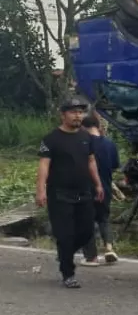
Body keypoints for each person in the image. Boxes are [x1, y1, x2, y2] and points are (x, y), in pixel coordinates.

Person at [36, 97, 105, 288]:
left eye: (80, 112)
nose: (78, 116)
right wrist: (40, 190)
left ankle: (64, 254)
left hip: (84, 192)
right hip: (59, 194)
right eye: (73, 112)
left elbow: (91, 162)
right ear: (63, 114)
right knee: (65, 235)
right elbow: (44, 165)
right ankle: (68, 273)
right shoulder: (51, 139)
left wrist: (98, 184)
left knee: (86, 232)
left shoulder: (86, 138)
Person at [80, 115, 121, 266]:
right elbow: (115, 166)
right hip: (105, 187)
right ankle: (109, 248)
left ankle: (91, 257)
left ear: (83, 128)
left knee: (86, 221)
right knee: (103, 218)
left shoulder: (83, 143)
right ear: (97, 126)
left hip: (86, 187)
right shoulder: (110, 144)